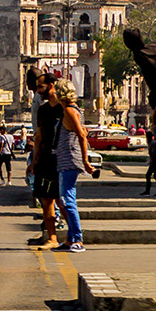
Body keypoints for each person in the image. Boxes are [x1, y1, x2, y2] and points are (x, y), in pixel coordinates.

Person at [52, 80, 98, 252]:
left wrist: (85, 160)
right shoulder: (70, 111)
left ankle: (77, 239)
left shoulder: (70, 111)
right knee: (64, 199)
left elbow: (81, 135)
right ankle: (71, 239)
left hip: (70, 159)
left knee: (67, 200)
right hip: (64, 159)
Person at [28, 70, 64, 249]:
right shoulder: (42, 109)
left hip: (61, 159)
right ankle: (52, 238)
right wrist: (34, 161)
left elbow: (80, 134)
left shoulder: (65, 108)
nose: (38, 91)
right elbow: (39, 135)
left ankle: (74, 236)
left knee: (62, 199)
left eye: (40, 87)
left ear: (51, 86)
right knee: (46, 199)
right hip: (45, 159)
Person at [143, 123, 156, 197]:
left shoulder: (153, 143)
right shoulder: (151, 143)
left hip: (154, 163)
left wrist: (152, 163)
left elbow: (154, 154)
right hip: (153, 162)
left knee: (151, 176)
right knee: (154, 176)